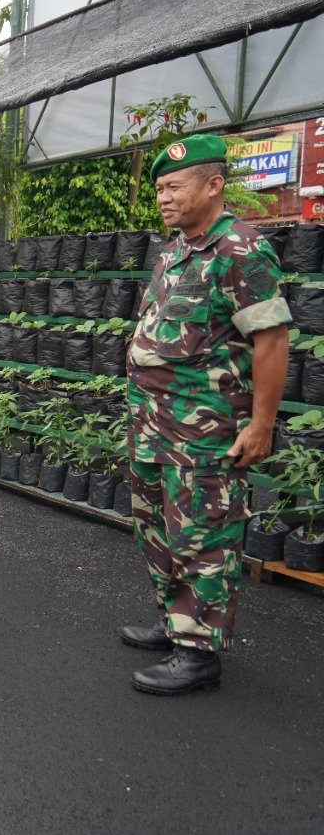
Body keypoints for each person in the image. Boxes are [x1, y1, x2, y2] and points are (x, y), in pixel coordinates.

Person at [122, 133, 291, 695]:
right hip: (152, 421)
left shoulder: (242, 250)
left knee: (203, 533)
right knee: (156, 525)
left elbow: (269, 340)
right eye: (160, 189)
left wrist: (261, 423)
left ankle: (199, 654)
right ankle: (177, 622)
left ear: (213, 185)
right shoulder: (175, 249)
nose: (164, 197)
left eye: (174, 186)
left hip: (205, 428)